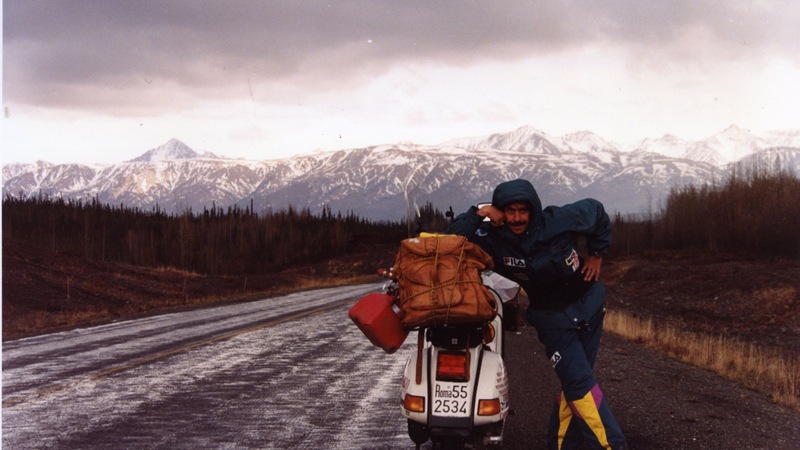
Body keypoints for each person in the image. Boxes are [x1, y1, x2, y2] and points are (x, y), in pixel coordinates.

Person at [445, 179, 626, 450]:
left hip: (590, 306)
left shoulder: (557, 220)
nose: (517, 218)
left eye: (523, 210)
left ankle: (559, 444)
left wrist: (597, 253)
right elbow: (451, 241)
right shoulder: (492, 237)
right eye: (510, 211)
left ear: (533, 210)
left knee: (576, 384)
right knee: (578, 382)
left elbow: (596, 211)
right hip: (552, 321)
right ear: (500, 211)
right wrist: (478, 211)